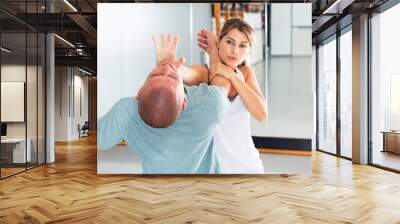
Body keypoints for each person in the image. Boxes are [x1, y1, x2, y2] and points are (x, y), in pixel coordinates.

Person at [98, 34, 231, 174]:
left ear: (138, 93)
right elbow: (221, 80)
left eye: (157, 75)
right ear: (184, 102)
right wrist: (214, 51)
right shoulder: (209, 104)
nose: (167, 69)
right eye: (173, 77)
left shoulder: (126, 111)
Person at [184, 18, 268, 174]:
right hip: (214, 171)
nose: (235, 50)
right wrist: (170, 67)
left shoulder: (246, 74)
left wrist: (232, 76)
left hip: (249, 166)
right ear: (219, 41)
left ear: (249, 50)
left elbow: (261, 114)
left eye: (242, 45)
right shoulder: (205, 74)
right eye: (230, 42)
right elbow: (189, 74)